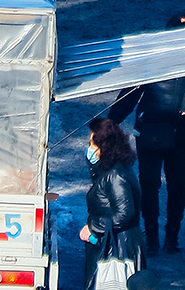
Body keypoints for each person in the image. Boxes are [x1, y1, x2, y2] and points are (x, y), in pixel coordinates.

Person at [109, 11, 185, 256]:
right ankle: (153, 235)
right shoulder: (151, 62)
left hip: (181, 135)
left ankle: (172, 236)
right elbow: (130, 95)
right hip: (151, 133)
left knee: (178, 187)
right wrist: (111, 122)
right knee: (149, 185)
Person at [79, 116, 145, 285]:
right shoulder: (112, 170)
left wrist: (93, 227)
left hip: (118, 248)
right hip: (114, 243)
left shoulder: (115, 175)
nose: (89, 149)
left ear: (104, 146)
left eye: (92, 144)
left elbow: (125, 213)